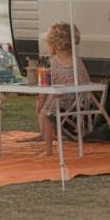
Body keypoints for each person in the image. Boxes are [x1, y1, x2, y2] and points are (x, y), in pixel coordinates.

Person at [36, 22, 90, 156]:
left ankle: (48, 148)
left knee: (43, 113)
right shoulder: (77, 60)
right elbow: (86, 81)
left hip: (58, 100)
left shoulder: (46, 61)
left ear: (52, 44)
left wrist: (40, 103)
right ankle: (51, 135)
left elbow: (43, 88)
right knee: (47, 109)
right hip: (78, 102)